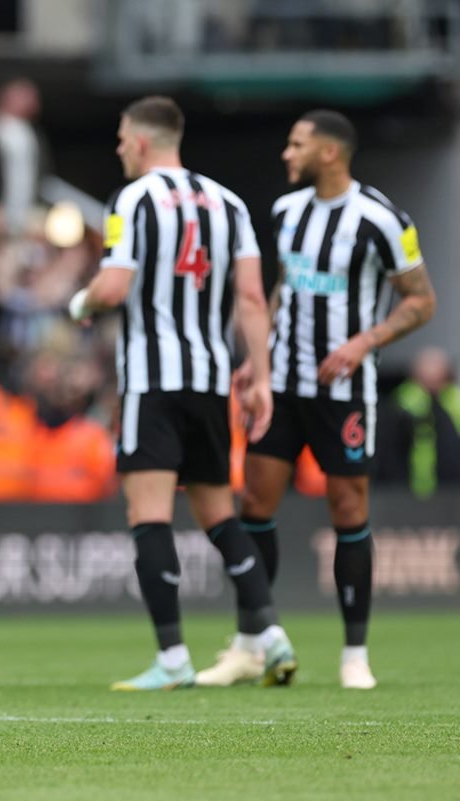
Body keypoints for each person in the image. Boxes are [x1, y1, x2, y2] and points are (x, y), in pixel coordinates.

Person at [68, 96, 295, 691]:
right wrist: (262, 376)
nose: (118, 147)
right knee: (219, 514)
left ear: (142, 141)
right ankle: (270, 635)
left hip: (153, 378)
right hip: (209, 378)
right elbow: (251, 299)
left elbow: (115, 287)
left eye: (121, 137)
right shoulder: (230, 203)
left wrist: (82, 300)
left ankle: (172, 658)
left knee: (149, 515)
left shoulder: (132, 200)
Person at [229, 110, 436, 690]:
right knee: (257, 501)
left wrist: (365, 341)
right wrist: (257, 357)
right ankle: (253, 642)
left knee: (348, 508)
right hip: (284, 386)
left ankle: (354, 654)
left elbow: (422, 301)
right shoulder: (286, 211)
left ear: (329, 153)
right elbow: (281, 289)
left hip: (344, 391)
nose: (285, 153)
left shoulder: (383, 219)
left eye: (295, 143)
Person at [378, 346, 460, 498]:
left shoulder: (455, 398)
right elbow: (390, 447)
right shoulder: (403, 400)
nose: (431, 373)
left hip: (453, 486)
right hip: (411, 486)